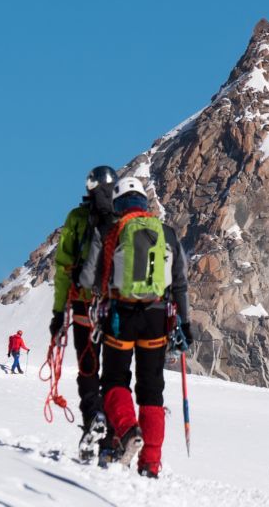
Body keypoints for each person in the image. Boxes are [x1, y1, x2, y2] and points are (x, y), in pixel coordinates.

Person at [94, 176, 191, 478]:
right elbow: (180, 283)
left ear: (120, 204)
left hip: (121, 317)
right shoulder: (167, 233)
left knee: (114, 380)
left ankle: (126, 431)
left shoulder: (115, 231)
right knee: (152, 390)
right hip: (157, 319)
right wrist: (185, 324)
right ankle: (150, 462)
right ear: (144, 204)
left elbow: (100, 279)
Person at [49, 165, 117, 454]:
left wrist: (57, 313)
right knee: (116, 372)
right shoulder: (122, 220)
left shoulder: (76, 219)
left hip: (82, 303)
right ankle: (113, 436)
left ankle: (93, 418)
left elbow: (64, 268)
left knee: (88, 366)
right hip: (115, 306)